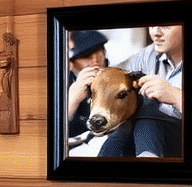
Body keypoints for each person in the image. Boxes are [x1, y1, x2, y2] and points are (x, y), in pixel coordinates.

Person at [98, 24, 183, 158]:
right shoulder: (146, 56)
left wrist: (176, 96)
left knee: (147, 109)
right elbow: (109, 78)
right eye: (152, 25)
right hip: (147, 138)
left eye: (165, 25)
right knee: (127, 122)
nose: (155, 32)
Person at [66, 29, 107, 139]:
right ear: (70, 63)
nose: (95, 61)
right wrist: (72, 101)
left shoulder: (117, 74)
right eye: (86, 55)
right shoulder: (61, 83)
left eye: (99, 52)